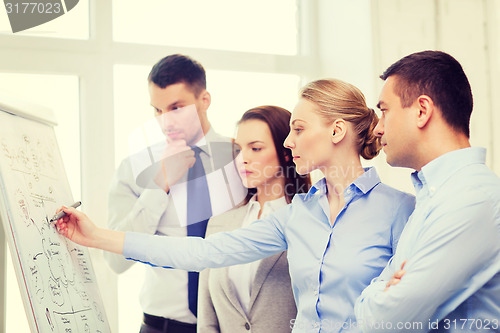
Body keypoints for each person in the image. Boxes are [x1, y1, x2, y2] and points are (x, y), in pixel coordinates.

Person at [55, 78, 416, 332]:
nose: (289, 141)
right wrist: (98, 236)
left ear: (337, 132)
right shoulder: (298, 216)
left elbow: (415, 312)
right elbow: (202, 253)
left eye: (299, 129)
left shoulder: (401, 211)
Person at [354, 50, 500, 332]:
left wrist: (378, 292)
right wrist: (381, 291)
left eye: (384, 111)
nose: (378, 129)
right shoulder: (436, 195)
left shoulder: (471, 199)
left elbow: (385, 323)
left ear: (422, 110)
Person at [105, 54, 245, 333]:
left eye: (176, 108)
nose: (165, 121)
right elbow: (116, 261)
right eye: (157, 110)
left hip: (232, 324)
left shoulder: (241, 159)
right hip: (162, 327)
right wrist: (160, 184)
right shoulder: (134, 168)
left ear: (204, 100)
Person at [197, 105, 311, 332]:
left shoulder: (309, 222)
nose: (243, 159)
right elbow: (207, 318)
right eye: (239, 150)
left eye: (256, 148)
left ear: (286, 153)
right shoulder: (219, 223)